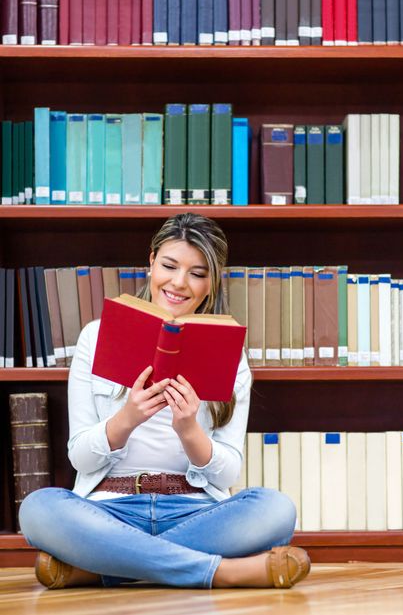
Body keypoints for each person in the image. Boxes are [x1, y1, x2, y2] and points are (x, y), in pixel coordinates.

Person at [19, 212, 310, 590]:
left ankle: (100, 569)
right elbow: (80, 458)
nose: (178, 283)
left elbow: (227, 474)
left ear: (211, 283)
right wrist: (126, 418)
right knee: (39, 509)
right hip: (108, 509)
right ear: (151, 260)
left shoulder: (228, 354)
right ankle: (222, 572)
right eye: (169, 266)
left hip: (195, 510)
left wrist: (189, 430)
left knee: (276, 510)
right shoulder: (96, 336)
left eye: (197, 273)